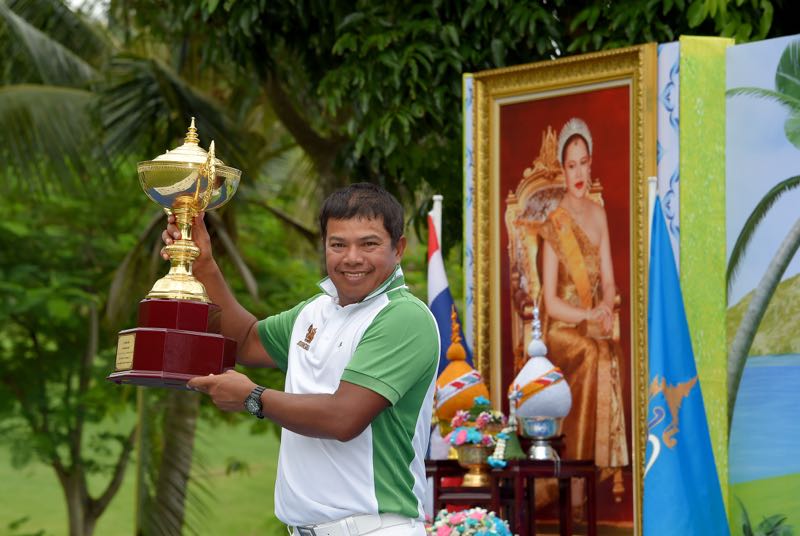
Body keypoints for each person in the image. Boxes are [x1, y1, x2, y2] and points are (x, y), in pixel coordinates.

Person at [161, 183, 439, 535]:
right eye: (338, 244)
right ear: (324, 246)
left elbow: (343, 418)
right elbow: (246, 341)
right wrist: (203, 264)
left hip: (375, 528)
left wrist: (252, 397)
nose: (352, 258)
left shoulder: (403, 317)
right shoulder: (316, 310)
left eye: (369, 244)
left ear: (398, 249)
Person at [538, 118, 629, 476]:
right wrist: (588, 316)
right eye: (571, 165)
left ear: (591, 164)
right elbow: (550, 303)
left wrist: (605, 304)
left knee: (610, 353)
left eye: (584, 163)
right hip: (561, 329)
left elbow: (610, 281)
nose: (578, 172)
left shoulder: (599, 215)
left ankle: (597, 466)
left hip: (590, 323)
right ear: (563, 170)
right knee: (594, 354)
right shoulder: (554, 222)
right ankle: (574, 470)